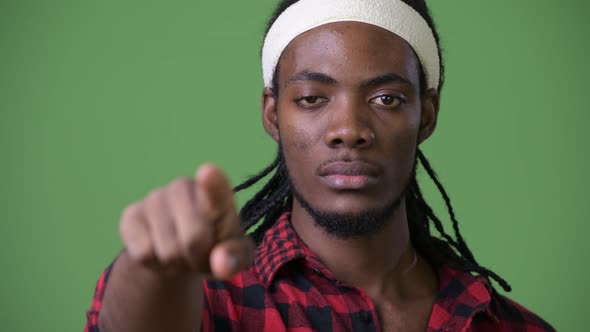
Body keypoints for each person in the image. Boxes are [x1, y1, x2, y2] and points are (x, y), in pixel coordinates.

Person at [85, 0, 555, 331]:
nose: (348, 129)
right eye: (312, 98)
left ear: (426, 115)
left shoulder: (509, 324)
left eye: (386, 98)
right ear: (273, 114)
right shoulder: (212, 299)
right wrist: (151, 268)